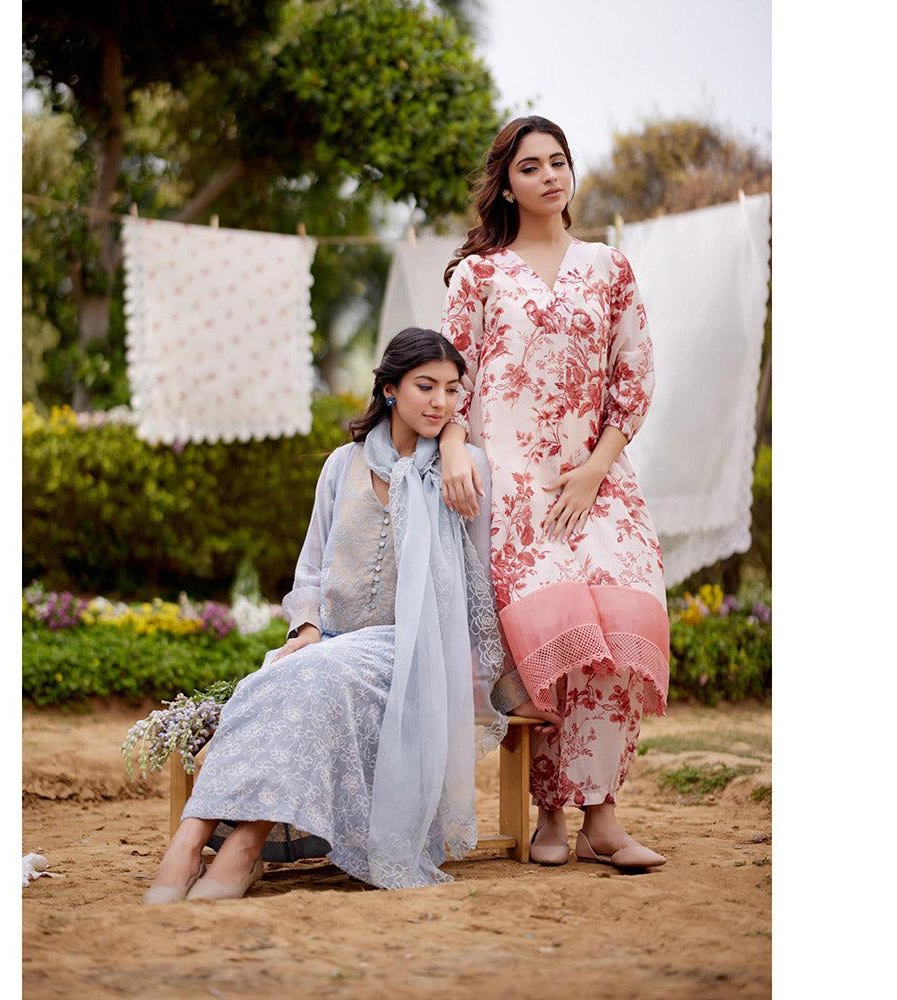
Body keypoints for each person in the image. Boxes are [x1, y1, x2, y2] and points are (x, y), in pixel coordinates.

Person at [143, 327, 506, 903]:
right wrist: (307, 630)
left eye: (452, 389)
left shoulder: (464, 469)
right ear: (389, 389)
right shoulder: (343, 464)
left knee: (313, 675)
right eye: (425, 386)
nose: (441, 402)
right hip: (332, 645)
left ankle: (240, 851)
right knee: (274, 675)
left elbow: (479, 579)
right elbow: (311, 568)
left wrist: (490, 681)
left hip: (415, 653)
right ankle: (190, 841)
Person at [439, 116, 668, 870]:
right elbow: (452, 379)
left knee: (619, 633)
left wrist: (597, 468)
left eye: (558, 162)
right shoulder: (478, 276)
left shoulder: (609, 268)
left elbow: (634, 375)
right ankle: (549, 815)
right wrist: (452, 449)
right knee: (559, 640)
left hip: (599, 485)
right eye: (530, 166)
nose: (548, 176)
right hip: (515, 494)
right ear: (507, 185)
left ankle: (602, 815)